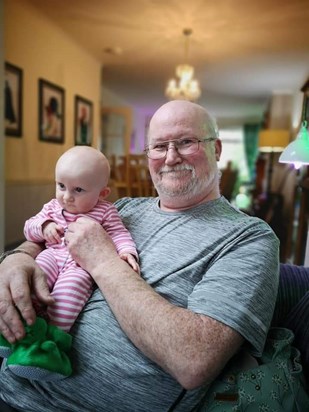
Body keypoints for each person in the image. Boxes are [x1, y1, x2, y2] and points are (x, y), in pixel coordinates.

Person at [0, 100, 279, 411]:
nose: (171, 157)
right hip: (9, 380)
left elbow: (194, 361)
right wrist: (17, 258)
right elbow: (51, 233)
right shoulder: (122, 208)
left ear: (216, 150)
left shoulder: (249, 237)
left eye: (186, 142)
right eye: (159, 146)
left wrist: (103, 260)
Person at [0, 146, 139, 381]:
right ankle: (16, 331)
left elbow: (119, 234)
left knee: (68, 296)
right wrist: (43, 227)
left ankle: (47, 350)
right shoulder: (52, 208)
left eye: (78, 190)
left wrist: (127, 252)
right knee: (34, 279)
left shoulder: (107, 212)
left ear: (102, 193)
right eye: (61, 186)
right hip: (51, 256)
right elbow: (29, 227)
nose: (66, 196)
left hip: (79, 267)